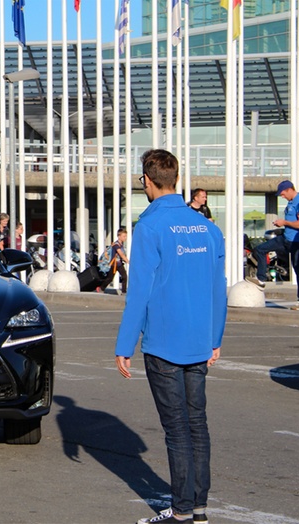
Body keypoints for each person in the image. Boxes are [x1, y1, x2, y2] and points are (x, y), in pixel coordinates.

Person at [115, 149, 227, 524]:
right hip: (199, 340)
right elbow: (218, 288)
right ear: (176, 179)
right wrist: (215, 338)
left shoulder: (149, 227)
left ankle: (180, 512)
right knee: (199, 424)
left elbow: (140, 292)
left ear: (146, 180)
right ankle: (198, 509)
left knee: (177, 429)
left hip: (164, 342)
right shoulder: (208, 228)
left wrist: (124, 344)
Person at [249, 180, 299, 311]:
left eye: (283, 194)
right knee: (260, 249)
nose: (282, 197)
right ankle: (261, 279)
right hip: (285, 238)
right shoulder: (291, 202)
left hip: (296, 241)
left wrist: (284, 222)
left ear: (289, 190)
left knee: (298, 271)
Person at [98, 228, 129, 294]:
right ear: (119, 236)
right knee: (110, 278)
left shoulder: (121, 245)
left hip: (119, 264)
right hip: (113, 264)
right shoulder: (116, 245)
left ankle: (124, 291)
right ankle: (101, 288)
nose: (125, 238)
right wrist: (128, 261)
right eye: (124, 236)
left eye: (126, 236)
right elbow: (121, 254)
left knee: (124, 276)